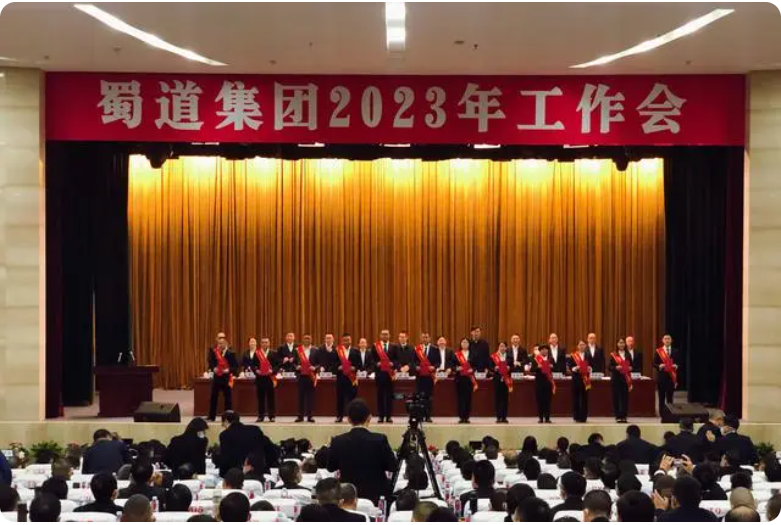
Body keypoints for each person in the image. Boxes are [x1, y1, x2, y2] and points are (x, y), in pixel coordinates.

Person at [327, 398, 396, 504]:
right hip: (376, 498)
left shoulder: (338, 441)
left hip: (347, 498)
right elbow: (393, 466)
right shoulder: (379, 440)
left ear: (349, 419)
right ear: (369, 417)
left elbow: (330, 467)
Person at [218, 410, 278, 478]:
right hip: (260, 473)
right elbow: (270, 450)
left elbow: (225, 458)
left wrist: (223, 475)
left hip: (237, 476)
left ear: (226, 421)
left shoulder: (224, 435)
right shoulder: (255, 430)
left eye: (222, 424)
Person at [207, 331, 238, 421]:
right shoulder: (214, 352)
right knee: (213, 397)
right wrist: (213, 368)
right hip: (217, 378)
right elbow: (211, 362)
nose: (220, 345)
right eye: (219, 343)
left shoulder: (231, 353)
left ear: (226, 344)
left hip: (226, 378)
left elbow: (235, 366)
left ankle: (228, 417)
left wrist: (228, 370)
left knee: (228, 399)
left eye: (222, 343)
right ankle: (211, 416)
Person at [249, 336, 278, 423]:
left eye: (266, 342)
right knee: (260, 398)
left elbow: (277, 365)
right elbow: (253, 365)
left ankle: (272, 416)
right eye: (263, 342)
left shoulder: (274, 353)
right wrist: (256, 370)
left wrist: (272, 371)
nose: (265, 344)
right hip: (260, 378)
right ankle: (260, 416)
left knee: (271, 398)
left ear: (269, 343)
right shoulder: (257, 353)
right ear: (261, 344)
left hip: (270, 378)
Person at [454, 337, 480, 423]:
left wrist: (473, 369)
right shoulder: (456, 354)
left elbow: (476, 365)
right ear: (460, 344)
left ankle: (467, 417)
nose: (464, 344)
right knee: (460, 398)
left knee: (468, 398)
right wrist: (456, 368)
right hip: (460, 379)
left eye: (466, 342)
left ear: (469, 344)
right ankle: (461, 417)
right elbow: (452, 365)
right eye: (463, 342)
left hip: (469, 379)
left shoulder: (473, 354)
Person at [527, 344, 555, 423]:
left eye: (546, 349)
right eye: (542, 349)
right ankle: (540, 418)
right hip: (539, 382)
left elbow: (556, 368)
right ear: (540, 351)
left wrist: (552, 366)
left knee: (548, 400)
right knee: (540, 400)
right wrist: (538, 367)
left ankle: (547, 418)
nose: (544, 351)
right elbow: (532, 369)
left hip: (548, 382)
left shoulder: (551, 359)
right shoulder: (536, 359)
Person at [372, 329, 395, 424]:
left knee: (389, 396)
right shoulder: (375, 346)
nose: (385, 336)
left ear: (389, 336)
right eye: (383, 334)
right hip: (380, 375)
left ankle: (389, 416)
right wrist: (376, 364)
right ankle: (381, 416)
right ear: (380, 336)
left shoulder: (394, 347)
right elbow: (372, 360)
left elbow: (397, 360)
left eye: (386, 334)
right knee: (380, 396)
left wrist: (393, 363)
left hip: (390, 375)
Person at [334, 333, 358, 423]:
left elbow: (359, 364)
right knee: (340, 398)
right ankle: (339, 416)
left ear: (351, 340)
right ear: (342, 341)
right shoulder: (337, 351)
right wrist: (338, 367)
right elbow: (333, 363)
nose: (346, 342)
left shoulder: (355, 351)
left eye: (348, 340)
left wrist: (355, 368)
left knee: (352, 399)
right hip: (341, 378)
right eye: (345, 340)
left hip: (352, 379)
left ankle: (352, 417)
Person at [653, 334, 680, 414]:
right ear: (662, 340)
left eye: (668, 338)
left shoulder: (675, 351)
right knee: (661, 397)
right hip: (662, 377)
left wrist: (676, 365)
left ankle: (670, 413)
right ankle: (662, 413)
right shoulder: (658, 351)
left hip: (671, 377)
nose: (667, 340)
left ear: (671, 340)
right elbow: (653, 363)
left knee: (670, 397)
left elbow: (679, 362)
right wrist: (659, 366)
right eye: (665, 339)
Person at [294, 334, 318, 423]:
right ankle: (300, 416)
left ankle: (310, 416)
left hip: (311, 376)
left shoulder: (316, 350)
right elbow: (294, 362)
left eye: (308, 338)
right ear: (302, 340)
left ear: (311, 340)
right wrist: (297, 366)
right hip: (301, 376)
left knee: (310, 397)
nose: (307, 340)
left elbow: (319, 363)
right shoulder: (297, 350)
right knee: (300, 397)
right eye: (305, 338)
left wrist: (315, 368)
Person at [413, 332, 437, 422]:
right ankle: (420, 416)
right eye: (423, 337)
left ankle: (428, 416)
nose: (425, 339)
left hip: (430, 377)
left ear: (429, 338)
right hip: (420, 377)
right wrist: (416, 366)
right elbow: (413, 361)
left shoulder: (435, 349)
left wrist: (434, 367)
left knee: (428, 397)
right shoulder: (417, 349)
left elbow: (438, 362)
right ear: (421, 338)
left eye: (426, 337)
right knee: (420, 397)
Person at [489, 341, 514, 423]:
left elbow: (513, 367)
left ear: (506, 348)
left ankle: (504, 417)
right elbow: (490, 367)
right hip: (497, 379)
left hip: (507, 379)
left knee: (505, 398)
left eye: (504, 346)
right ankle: (498, 417)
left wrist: (509, 368)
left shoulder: (509, 357)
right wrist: (494, 368)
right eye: (501, 346)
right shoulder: (493, 357)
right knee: (498, 398)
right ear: (498, 347)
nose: (502, 348)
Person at [567, 340, 591, 423]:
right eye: (580, 345)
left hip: (586, 380)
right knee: (576, 398)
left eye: (583, 345)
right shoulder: (573, 356)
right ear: (577, 346)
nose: (582, 346)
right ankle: (576, 416)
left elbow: (592, 365)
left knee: (585, 398)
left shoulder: (588, 355)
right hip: (576, 379)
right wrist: (575, 368)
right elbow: (570, 367)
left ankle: (583, 417)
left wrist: (589, 368)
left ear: (585, 346)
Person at [609, 338, 633, 423]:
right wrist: (616, 367)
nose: (621, 344)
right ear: (617, 344)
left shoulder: (628, 354)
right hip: (616, 379)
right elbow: (609, 367)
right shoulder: (613, 354)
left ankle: (624, 416)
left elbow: (632, 366)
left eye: (623, 343)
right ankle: (618, 416)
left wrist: (630, 368)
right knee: (616, 397)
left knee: (625, 398)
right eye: (620, 343)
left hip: (625, 378)